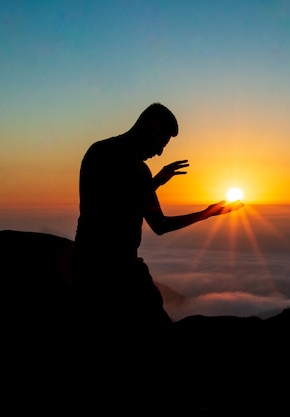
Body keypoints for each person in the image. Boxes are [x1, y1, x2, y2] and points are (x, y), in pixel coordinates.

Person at [72, 102, 243, 334]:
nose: (160, 152)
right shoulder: (116, 162)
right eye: (160, 142)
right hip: (107, 270)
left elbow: (146, 218)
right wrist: (160, 185)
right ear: (147, 128)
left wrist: (205, 211)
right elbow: (126, 215)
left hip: (108, 266)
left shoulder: (120, 162)